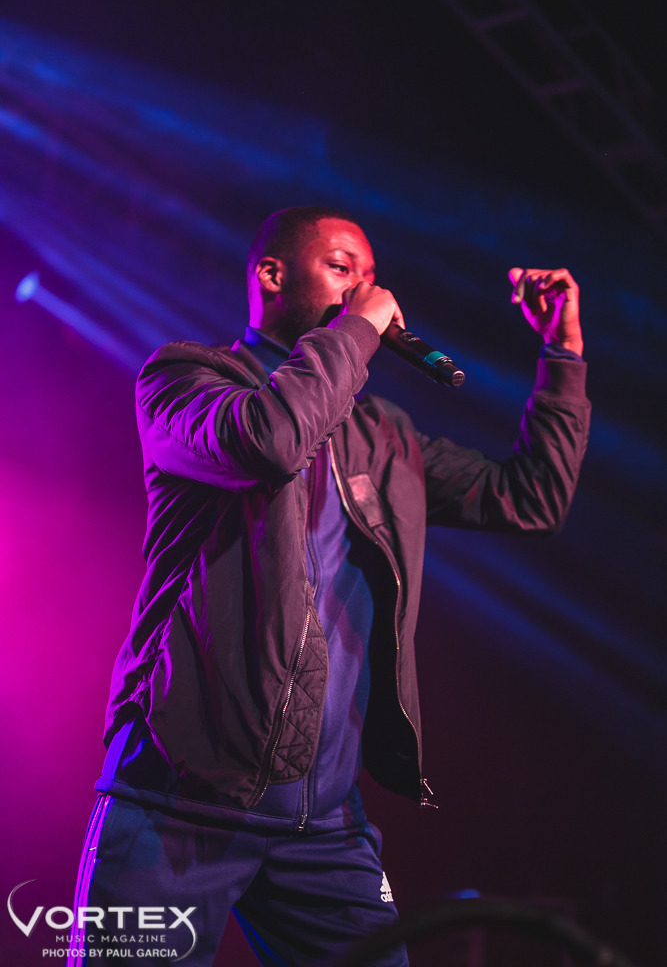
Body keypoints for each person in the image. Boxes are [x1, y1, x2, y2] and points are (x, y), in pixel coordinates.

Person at [69, 206, 590, 967]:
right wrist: (358, 328)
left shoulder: (383, 434)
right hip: (178, 805)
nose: (365, 294)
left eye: (372, 282)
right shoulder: (186, 379)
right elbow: (270, 439)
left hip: (325, 828)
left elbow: (531, 497)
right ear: (272, 277)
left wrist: (562, 353)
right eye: (344, 270)